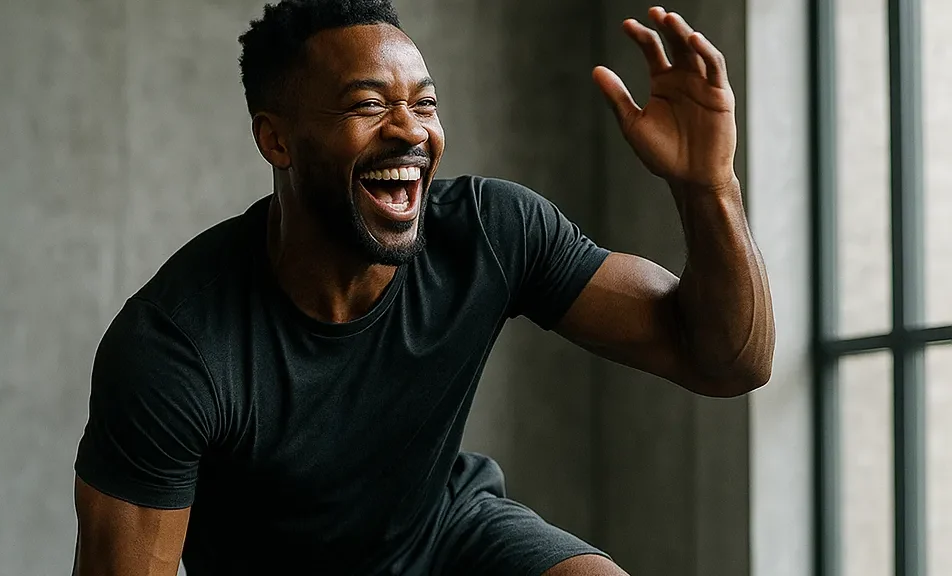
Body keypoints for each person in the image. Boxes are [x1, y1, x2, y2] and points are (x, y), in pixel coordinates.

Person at [72, 1, 775, 574]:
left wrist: (708, 185)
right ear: (277, 141)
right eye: (369, 104)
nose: (410, 129)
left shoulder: (491, 231)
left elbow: (727, 361)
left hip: (450, 535)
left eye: (426, 102)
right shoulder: (176, 347)